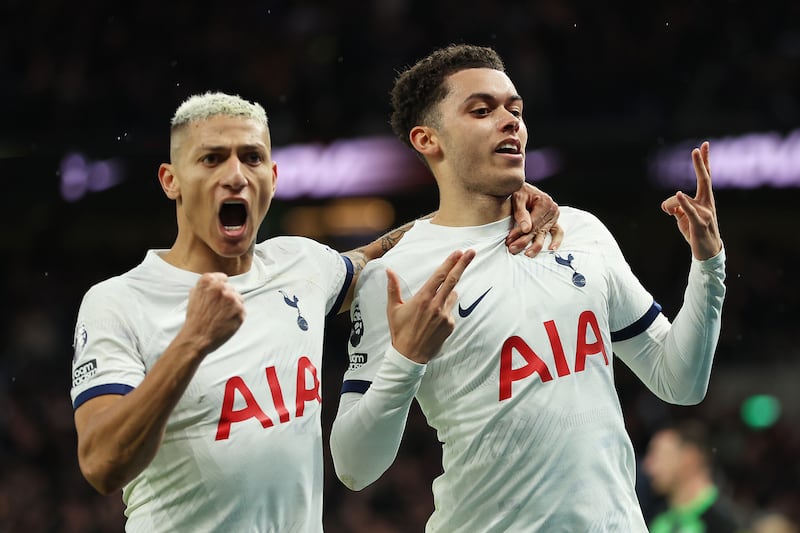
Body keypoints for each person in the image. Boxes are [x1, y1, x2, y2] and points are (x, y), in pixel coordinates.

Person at [69, 91, 561, 531]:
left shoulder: (299, 265)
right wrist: (192, 343)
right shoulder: (118, 301)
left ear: (273, 177)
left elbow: (380, 253)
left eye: (252, 158)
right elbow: (101, 465)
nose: (235, 176)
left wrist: (501, 204)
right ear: (171, 180)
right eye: (212, 159)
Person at [329, 44, 727, 532]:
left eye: (515, 109)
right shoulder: (394, 276)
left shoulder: (580, 232)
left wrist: (709, 265)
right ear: (427, 139)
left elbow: (678, 381)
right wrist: (407, 358)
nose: (510, 120)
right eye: (482, 109)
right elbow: (353, 466)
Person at [643, 420, 742, 532]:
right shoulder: (654, 517)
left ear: (689, 458)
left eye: (657, 456)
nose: (647, 466)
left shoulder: (725, 521)